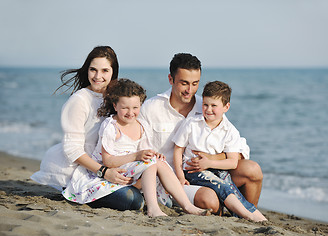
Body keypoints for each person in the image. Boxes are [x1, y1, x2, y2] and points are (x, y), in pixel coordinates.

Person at [63, 78, 210, 217]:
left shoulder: (141, 126)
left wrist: (154, 155)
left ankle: (187, 206)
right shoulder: (111, 126)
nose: (130, 112)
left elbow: (144, 154)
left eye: (135, 107)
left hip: (131, 172)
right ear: (115, 106)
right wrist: (137, 156)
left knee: (157, 162)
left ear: (141, 105)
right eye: (125, 108)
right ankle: (153, 209)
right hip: (109, 173)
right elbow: (107, 161)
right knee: (149, 165)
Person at [138, 53, 263, 214]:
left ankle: (248, 216)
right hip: (173, 179)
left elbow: (240, 150)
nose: (189, 90)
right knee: (210, 200)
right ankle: (225, 206)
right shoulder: (151, 108)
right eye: (184, 83)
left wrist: (210, 159)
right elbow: (139, 149)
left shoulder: (207, 106)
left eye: (195, 83)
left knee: (252, 170)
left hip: (211, 170)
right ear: (171, 79)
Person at [31, 46, 144, 211]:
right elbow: (72, 150)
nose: (98, 76)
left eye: (105, 70)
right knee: (132, 200)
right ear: (87, 70)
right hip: (79, 169)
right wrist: (105, 172)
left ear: (113, 72)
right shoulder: (79, 101)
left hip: (109, 165)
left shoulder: (118, 99)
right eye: (93, 70)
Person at [172, 81, 267, 221]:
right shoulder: (192, 123)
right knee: (222, 186)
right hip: (193, 171)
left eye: (213, 106)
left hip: (215, 169)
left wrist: (209, 162)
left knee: (230, 186)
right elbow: (177, 151)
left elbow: (233, 162)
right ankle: (246, 215)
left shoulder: (230, 130)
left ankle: (257, 217)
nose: (208, 109)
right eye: (205, 105)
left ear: (226, 107)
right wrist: (180, 176)